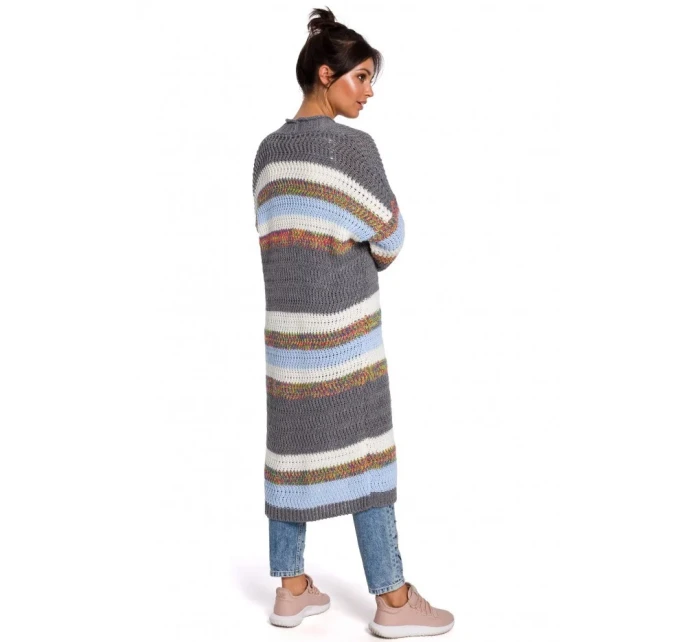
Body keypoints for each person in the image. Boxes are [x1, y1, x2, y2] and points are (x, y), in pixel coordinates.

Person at [251, 7, 454, 638]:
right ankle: (393, 599)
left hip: (286, 343)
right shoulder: (353, 149)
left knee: (290, 458)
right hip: (345, 341)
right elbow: (391, 238)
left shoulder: (267, 153)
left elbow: (276, 237)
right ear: (326, 74)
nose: (368, 92)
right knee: (367, 457)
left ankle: (291, 590)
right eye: (361, 78)